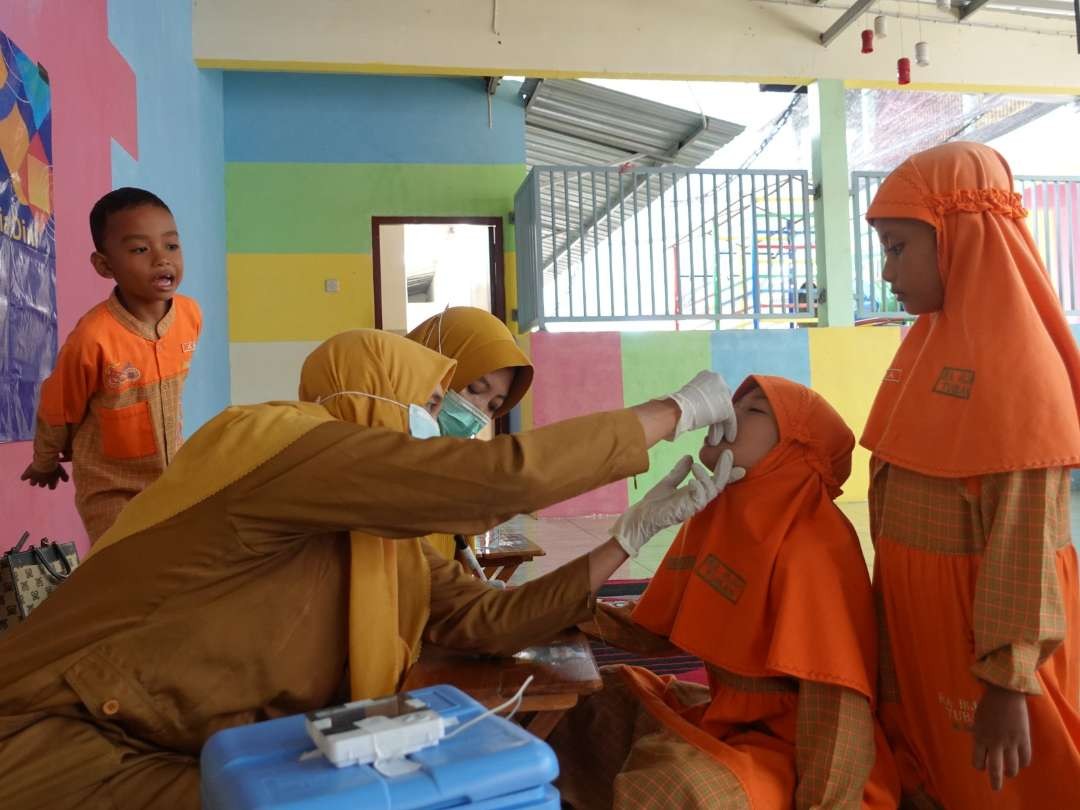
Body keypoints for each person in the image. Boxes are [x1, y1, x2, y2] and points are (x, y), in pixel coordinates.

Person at [0, 329, 741, 810]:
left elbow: (485, 620)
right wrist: (673, 410)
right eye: (433, 401)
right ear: (366, 388)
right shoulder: (276, 445)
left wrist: (627, 534)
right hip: (59, 737)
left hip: (174, 742)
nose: (453, 420)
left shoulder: (395, 541)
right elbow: (488, 480)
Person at [550, 376, 900, 810]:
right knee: (593, 699)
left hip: (795, 753)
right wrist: (549, 612)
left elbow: (836, 708)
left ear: (794, 450)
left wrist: (826, 804)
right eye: (736, 403)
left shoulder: (814, 545)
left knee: (674, 783)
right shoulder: (720, 514)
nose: (730, 415)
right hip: (727, 720)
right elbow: (658, 626)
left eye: (754, 411)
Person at [863, 141, 1080, 808]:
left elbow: (1021, 547)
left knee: (1016, 786)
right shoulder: (928, 344)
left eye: (899, 247)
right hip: (927, 624)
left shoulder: (1019, 368)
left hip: (989, 642)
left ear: (958, 235)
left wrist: (1009, 686)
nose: (887, 269)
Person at [20, 187, 202, 543]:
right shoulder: (93, 338)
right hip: (112, 490)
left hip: (170, 480)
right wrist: (45, 460)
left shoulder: (190, 316)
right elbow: (58, 407)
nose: (161, 259)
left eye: (171, 246)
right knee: (122, 571)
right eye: (139, 249)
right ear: (105, 265)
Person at [406, 306, 533, 559]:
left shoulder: (454, 472)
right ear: (431, 365)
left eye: (494, 406)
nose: (477, 411)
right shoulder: (369, 448)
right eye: (475, 388)